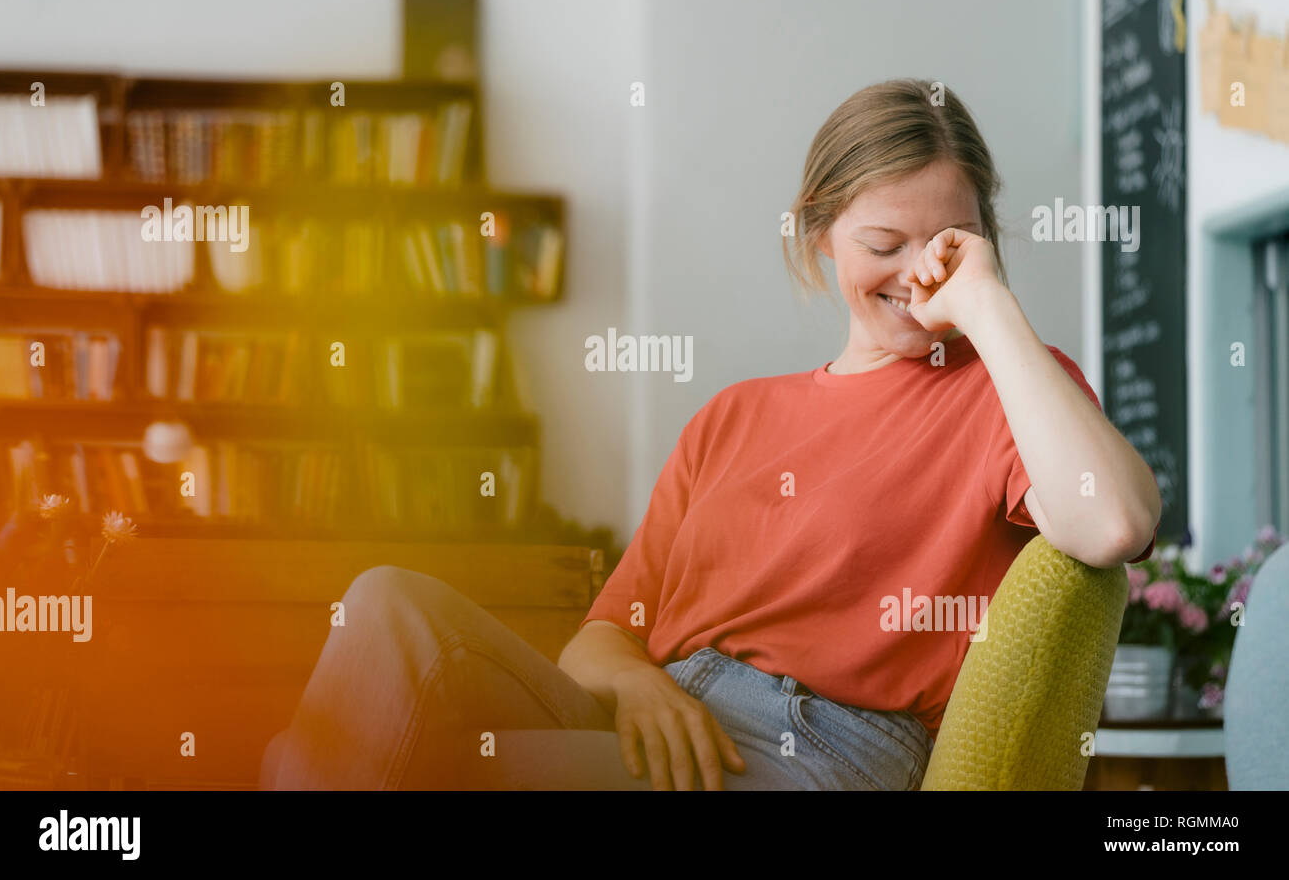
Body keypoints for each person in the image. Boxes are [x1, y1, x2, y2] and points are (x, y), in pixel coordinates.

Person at [261, 78, 1162, 791]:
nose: (919, 277)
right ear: (820, 238)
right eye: (885, 244)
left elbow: (1116, 523)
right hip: (653, 715)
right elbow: (601, 638)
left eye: (952, 245)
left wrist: (991, 304)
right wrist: (642, 684)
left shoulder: (1006, 389)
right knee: (385, 603)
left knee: (411, 768)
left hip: (814, 747)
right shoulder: (733, 417)